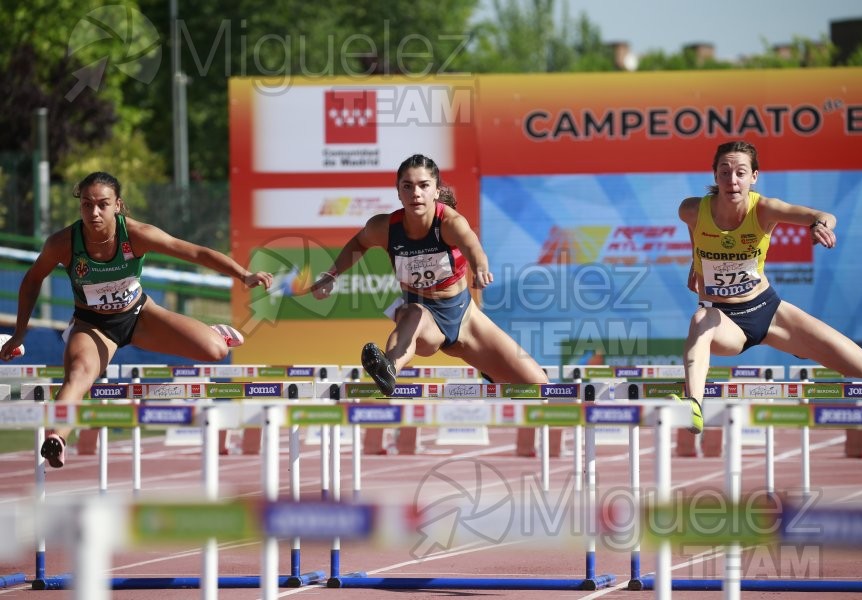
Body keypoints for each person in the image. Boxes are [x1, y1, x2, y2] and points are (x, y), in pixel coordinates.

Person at [0, 172, 272, 467]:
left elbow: (194, 252)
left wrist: (243, 275)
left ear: (117, 205)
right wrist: (19, 333)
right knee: (78, 375)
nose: (94, 212)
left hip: (140, 315)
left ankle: (213, 333)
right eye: (87, 205)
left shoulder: (136, 234)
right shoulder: (63, 243)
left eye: (103, 204)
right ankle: (57, 440)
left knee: (217, 351)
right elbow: (31, 281)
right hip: (93, 325)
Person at [675, 140, 862, 434]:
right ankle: (692, 406)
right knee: (700, 320)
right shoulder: (691, 210)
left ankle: (794, 343)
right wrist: (696, 264)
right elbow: (697, 235)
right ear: (714, 175)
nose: (733, 180)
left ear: (753, 177)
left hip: (769, 311)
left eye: (741, 173)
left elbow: (821, 215)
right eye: (725, 171)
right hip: (724, 321)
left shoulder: (764, 209)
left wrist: (821, 225)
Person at [307, 154, 548, 396]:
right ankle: (388, 368)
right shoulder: (385, 228)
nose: (416, 193)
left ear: (436, 190)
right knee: (414, 313)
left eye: (424, 185)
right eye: (407, 186)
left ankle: (495, 373)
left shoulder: (450, 223)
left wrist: (480, 268)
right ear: (398, 192)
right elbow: (359, 242)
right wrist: (331, 275)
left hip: (464, 318)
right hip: (424, 321)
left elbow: (473, 247)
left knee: (538, 386)